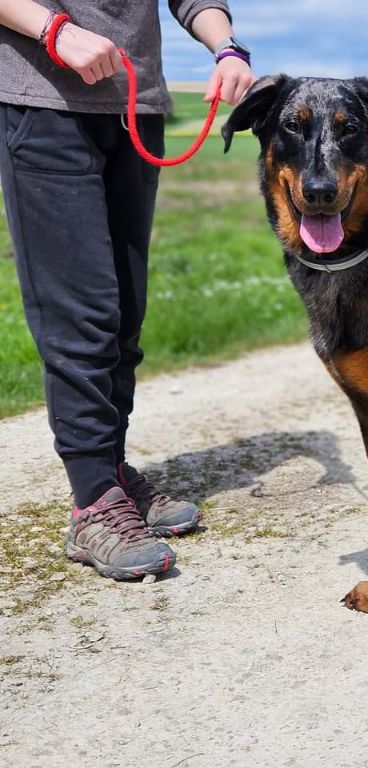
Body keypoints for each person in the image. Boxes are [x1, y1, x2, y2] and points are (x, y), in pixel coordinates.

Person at [0, 1, 257, 579]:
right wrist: (52, 29)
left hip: (134, 104)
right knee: (81, 312)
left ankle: (111, 472)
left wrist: (226, 46)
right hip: (44, 100)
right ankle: (92, 502)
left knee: (123, 311)